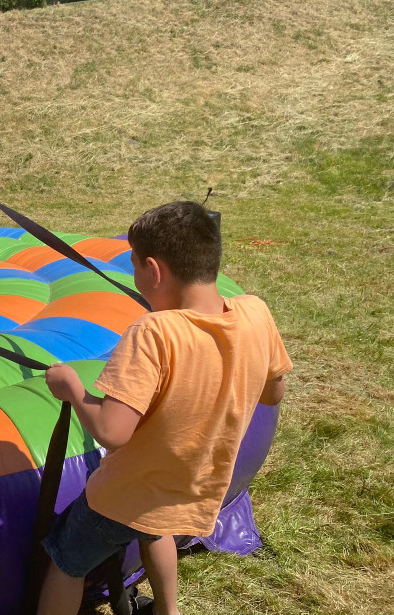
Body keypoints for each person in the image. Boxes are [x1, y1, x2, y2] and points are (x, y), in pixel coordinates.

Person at [39, 200, 291, 615]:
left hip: (124, 495)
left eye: (135, 266)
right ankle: (167, 610)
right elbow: (273, 394)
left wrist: (72, 390)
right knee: (156, 532)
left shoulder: (153, 332)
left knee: (67, 560)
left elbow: (112, 431)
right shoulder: (255, 312)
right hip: (189, 487)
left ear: (153, 271)